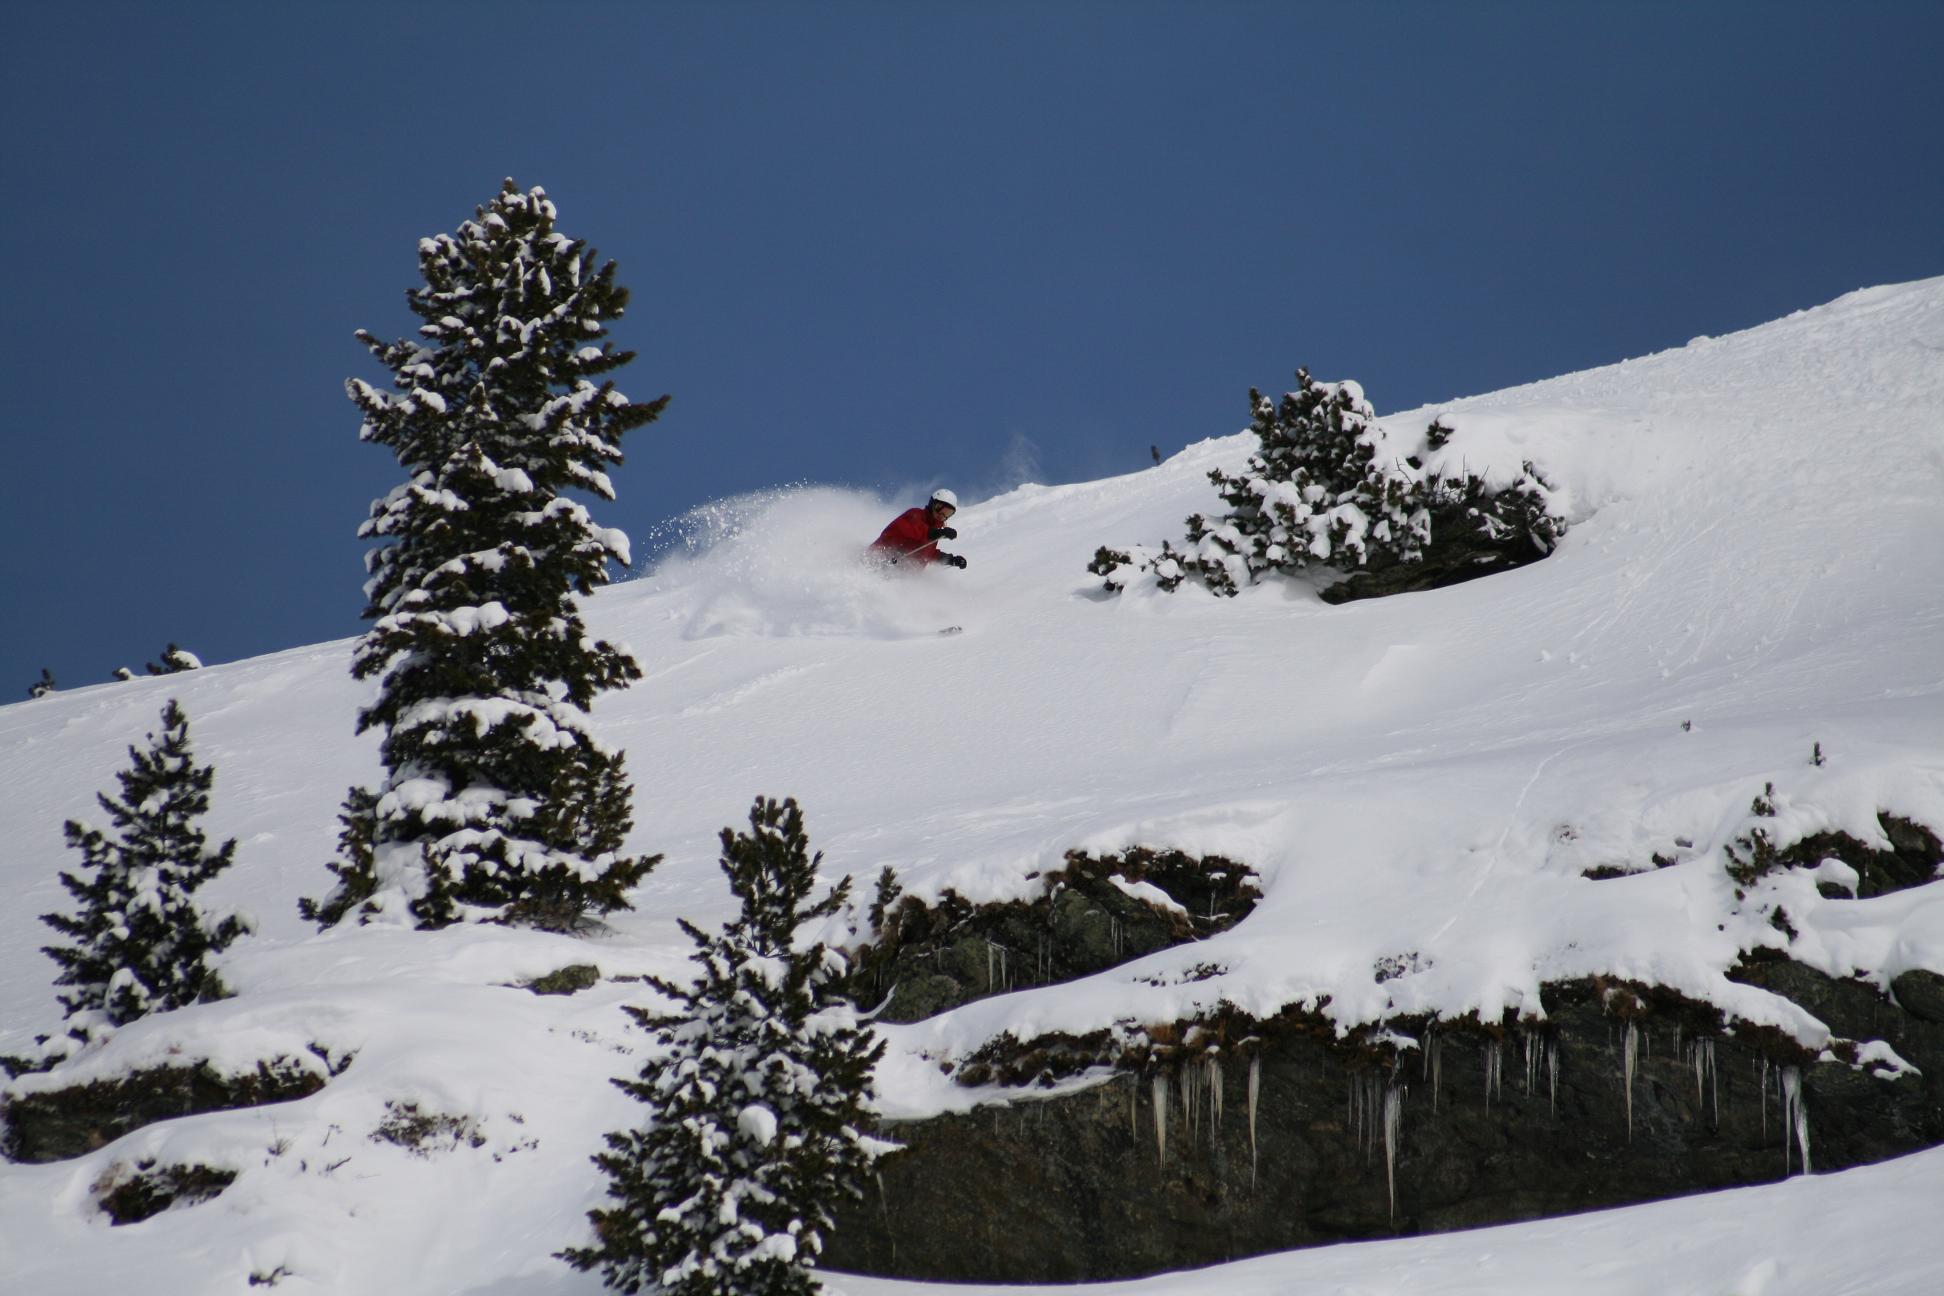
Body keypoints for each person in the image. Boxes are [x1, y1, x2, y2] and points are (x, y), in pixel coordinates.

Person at [869, 489, 968, 568]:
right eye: (939, 508)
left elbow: (928, 553)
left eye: (947, 513)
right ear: (932, 504)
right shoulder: (915, 514)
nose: (942, 515)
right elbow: (913, 530)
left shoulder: (933, 531)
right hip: (878, 560)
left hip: (900, 576)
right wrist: (937, 533)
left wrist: (951, 560)